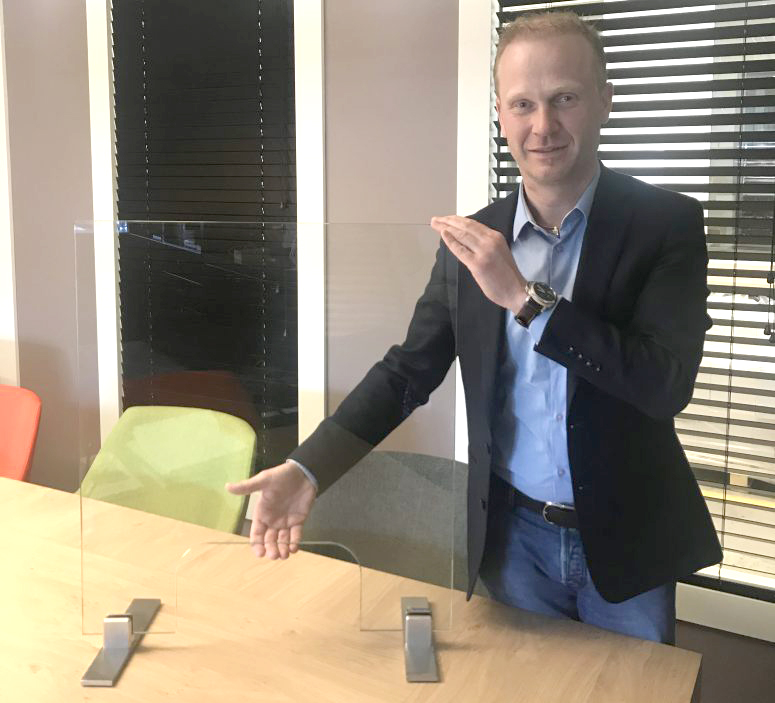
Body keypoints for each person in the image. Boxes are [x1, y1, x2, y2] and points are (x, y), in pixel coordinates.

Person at [226, 10, 722, 645]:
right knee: (519, 684)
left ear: (604, 101)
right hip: (514, 539)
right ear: (500, 115)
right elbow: (407, 372)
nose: (543, 126)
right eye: (523, 104)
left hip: (628, 537)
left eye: (565, 99)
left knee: (633, 689)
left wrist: (525, 300)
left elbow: (664, 385)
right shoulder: (474, 239)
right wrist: (308, 468)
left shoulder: (665, 224)